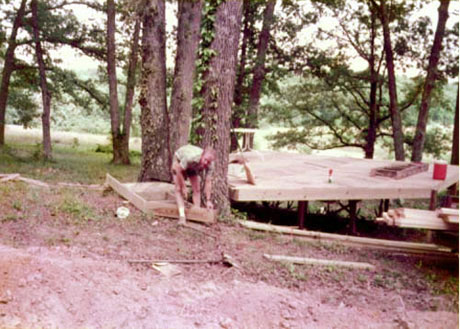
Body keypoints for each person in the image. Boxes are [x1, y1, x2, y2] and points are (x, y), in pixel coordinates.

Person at [171, 144, 216, 224]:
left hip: (192, 166)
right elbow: (178, 170)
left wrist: (208, 200)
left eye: (208, 162)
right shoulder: (191, 157)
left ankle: (197, 214)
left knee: (197, 189)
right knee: (178, 189)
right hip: (179, 160)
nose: (206, 163)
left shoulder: (211, 165)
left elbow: (208, 181)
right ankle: (182, 217)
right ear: (202, 155)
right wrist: (183, 186)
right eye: (205, 159)